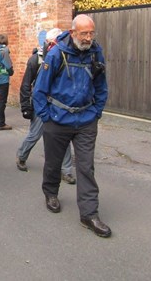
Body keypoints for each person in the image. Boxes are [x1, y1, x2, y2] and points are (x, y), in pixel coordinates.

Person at [33, 15, 111, 238]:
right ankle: (50, 192)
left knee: (86, 167)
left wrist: (96, 112)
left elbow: (101, 85)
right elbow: (40, 89)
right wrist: (46, 117)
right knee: (54, 162)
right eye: (84, 33)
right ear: (73, 32)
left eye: (91, 33)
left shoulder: (96, 52)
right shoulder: (57, 53)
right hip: (57, 119)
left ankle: (89, 214)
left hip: (86, 119)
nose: (88, 38)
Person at [16, 28, 76, 185]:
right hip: (42, 103)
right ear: (49, 43)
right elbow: (26, 85)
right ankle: (21, 156)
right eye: (55, 42)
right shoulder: (35, 60)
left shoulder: (66, 57)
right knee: (35, 134)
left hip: (60, 105)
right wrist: (25, 107)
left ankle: (67, 170)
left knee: (64, 138)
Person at [0, 34, 14, 130]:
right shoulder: (4, 50)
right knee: (2, 102)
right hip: (3, 79)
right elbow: (8, 66)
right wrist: (11, 72)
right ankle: (1, 123)